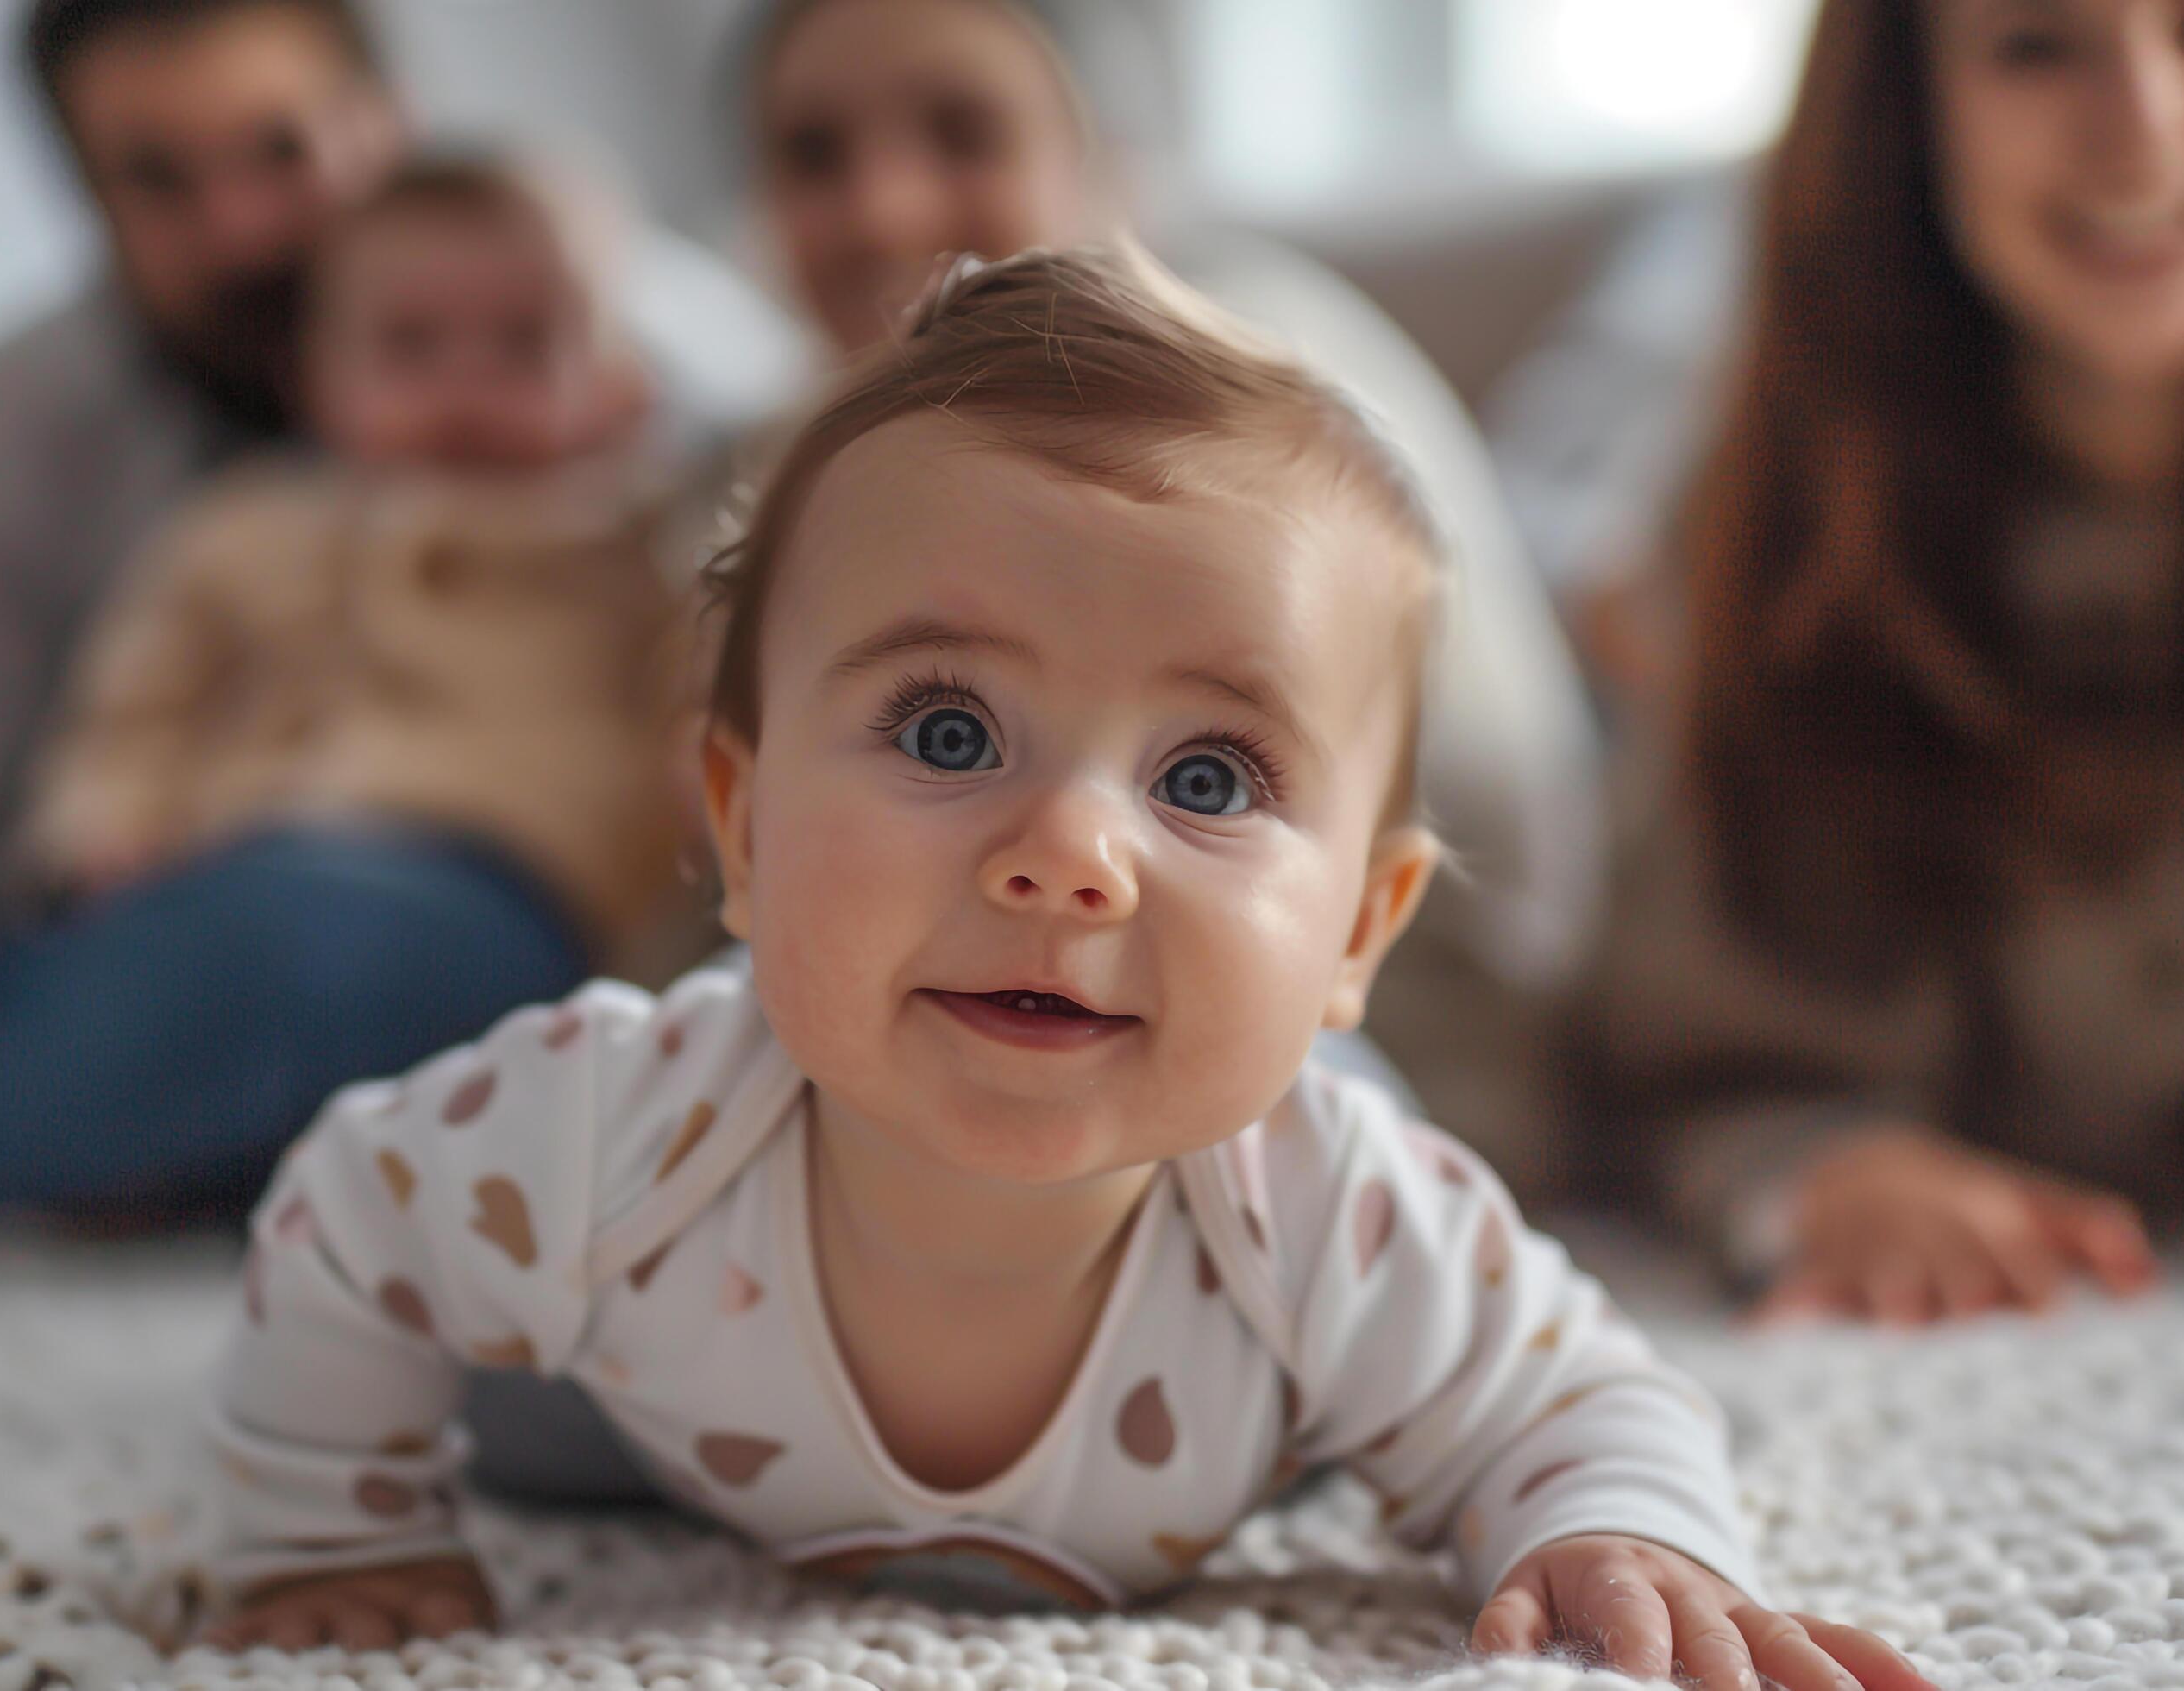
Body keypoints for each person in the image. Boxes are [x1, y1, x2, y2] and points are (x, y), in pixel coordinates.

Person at [198, 248, 1926, 1691]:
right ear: (739, 823)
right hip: (682, 1382)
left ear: (1358, 931)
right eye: (948, 727)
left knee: (1408, 1383)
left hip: (1242, 1313)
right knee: (522, 1425)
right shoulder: (601, 1126)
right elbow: (349, 1215)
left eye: (1207, 776)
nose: (1069, 850)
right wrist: (336, 1532)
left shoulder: (1334, 1211)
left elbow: (1584, 1391)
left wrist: (1606, 1527)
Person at [721, 0, 1606, 1196]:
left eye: (964, 131)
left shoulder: (1239, 399)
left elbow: (1492, 875)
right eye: (814, 154)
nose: (885, 206)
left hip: (1379, 1030)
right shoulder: (798, 436)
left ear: (1111, 167)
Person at [1585, 0, 2184, 1322]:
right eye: (2039, 46)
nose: (2144, 128)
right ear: (1905, 113)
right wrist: (1834, 1175)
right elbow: (1691, 1066)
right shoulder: (1777, 538)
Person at [0, 0, 799, 920]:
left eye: (282, 151)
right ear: (87, 201)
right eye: (158, 179)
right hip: (171, 895)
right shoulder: (41, 417)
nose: (241, 228)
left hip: (466, 891)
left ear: (391, 117)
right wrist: (101, 840)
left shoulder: (636, 342)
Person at [23, 155, 693, 973]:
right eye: (409, 345)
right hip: (218, 872)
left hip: (490, 879)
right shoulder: (241, 528)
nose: (465, 379)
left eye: (525, 343)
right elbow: (139, 709)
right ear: (314, 378)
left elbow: (697, 719)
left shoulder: (635, 546)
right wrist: (109, 825)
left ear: (622, 388)